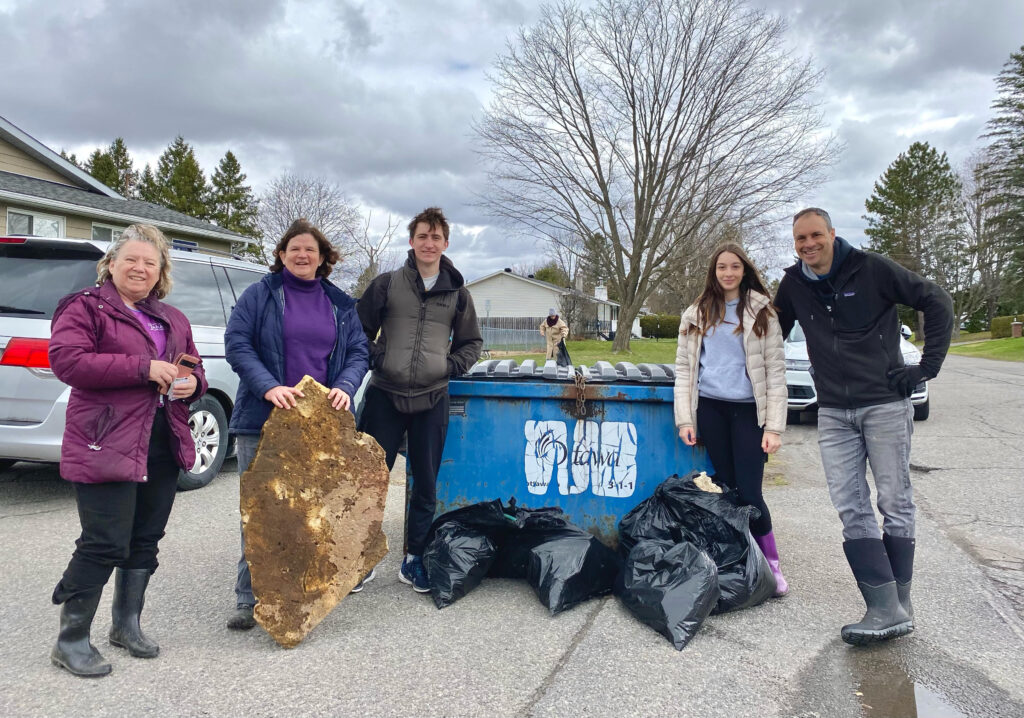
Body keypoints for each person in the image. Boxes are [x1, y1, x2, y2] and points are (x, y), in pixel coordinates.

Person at [775, 207, 952, 645]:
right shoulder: (794, 285)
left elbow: (937, 299)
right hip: (833, 411)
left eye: (816, 235)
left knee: (895, 499)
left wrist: (925, 368)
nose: (808, 244)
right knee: (850, 505)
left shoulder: (871, 269)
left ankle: (897, 605)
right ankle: (883, 606)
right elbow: (766, 334)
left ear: (832, 234)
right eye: (800, 239)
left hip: (884, 406)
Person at [47, 224, 207, 677]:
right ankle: (71, 639)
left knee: (144, 540)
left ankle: (126, 625)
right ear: (111, 264)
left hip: (162, 439)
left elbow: (198, 370)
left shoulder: (173, 319)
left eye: (150, 263)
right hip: (106, 439)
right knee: (103, 542)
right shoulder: (85, 307)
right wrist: (143, 367)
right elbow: (68, 361)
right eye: (131, 260)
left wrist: (192, 383)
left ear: (161, 273)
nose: (140, 268)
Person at [223, 219, 369, 630]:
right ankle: (249, 597)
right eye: (294, 249)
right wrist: (268, 387)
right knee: (262, 511)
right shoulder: (259, 296)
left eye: (310, 250)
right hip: (264, 419)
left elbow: (359, 352)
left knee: (312, 510)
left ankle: (301, 596)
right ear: (282, 255)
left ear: (323, 258)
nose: (302, 255)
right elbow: (237, 344)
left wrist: (345, 386)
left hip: (321, 424)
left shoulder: (340, 304)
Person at [357, 207, 482, 593]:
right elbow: (357, 333)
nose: (429, 243)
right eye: (422, 236)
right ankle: (360, 559)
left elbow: (472, 343)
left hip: (432, 398)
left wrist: (447, 366)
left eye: (436, 237)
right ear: (411, 242)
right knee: (369, 481)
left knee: (426, 484)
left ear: (446, 244)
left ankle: (414, 559)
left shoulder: (458, 294)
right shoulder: (386, 284)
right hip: (384, 396)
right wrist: (380, 359)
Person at [673, 243, 789, 596]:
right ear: (713, 272)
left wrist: (774, 427)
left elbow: (775, 372)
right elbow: (684, 369)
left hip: (747, 413)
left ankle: (771, 565)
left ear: (744, 270)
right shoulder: (697, 313)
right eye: (721, 267)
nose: (728, 273)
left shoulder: (762, 312)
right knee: (724, 486)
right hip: (710, 409)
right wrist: (685, 420)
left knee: (751, 492)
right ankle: (739, 557)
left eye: (734, 267)